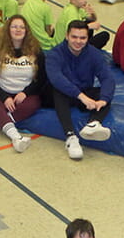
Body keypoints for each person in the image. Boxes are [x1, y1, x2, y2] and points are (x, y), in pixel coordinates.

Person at [45, 21, 114, 161]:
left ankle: (93, 124)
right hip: (58, 96)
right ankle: (70, 137)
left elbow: (107, 78)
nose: (78, 41)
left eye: (82, 38)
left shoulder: (93, 54)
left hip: (82, 92)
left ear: (88, 38)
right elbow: (57, 79)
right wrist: (81, 96)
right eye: (74, 37)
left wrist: (103, 99)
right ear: (67, 36)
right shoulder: (55, 54)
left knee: (104, 93)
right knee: (59, 90)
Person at [0, 16, 44, 152]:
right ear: (8, 29)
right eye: (14, 26)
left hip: (24, 93)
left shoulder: (36, 51)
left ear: (26, 30)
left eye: (21, 27)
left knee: (33, 104)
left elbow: (41, 79)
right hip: (2, 91)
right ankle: (16, 138)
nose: (18, 30)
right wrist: (3, 97)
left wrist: (25, 93)